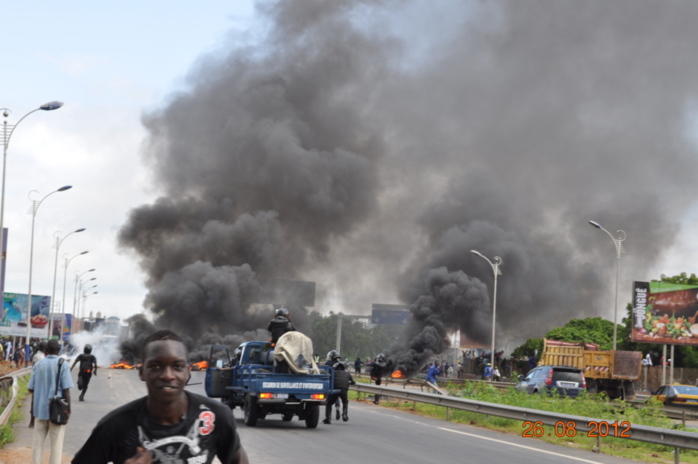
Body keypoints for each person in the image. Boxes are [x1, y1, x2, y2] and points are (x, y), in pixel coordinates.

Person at [72, 329, 249, 464]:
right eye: (156, 366)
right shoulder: (115, 426)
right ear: (142, 372)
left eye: (177, 366)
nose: (167, 375)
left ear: (188, 373)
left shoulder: (216, 417)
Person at [28, 339, 73, 464]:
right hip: (57, 412)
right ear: (58, 351)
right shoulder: (63, 364)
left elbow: (30, 388)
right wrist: (68, 409)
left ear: (46, 351)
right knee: (56, 445)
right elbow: (66, 391)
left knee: (37, 444)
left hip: (40, 411)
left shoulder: (38, 365)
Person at [28, 340, 49, 428]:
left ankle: (32, 421)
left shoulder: (36, 355)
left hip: (35, 380)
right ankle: (36, 421)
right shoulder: (42, 357)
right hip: (40, 381)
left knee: (34, 400)